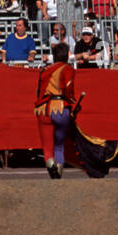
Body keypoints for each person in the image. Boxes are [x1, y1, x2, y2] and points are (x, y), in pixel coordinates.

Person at [34, 40, 76, 179]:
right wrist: (72, 100)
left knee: (47, 146)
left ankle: (50, 165)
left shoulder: (44, 70)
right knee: (59, 145)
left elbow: (39, 91)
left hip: (44, 109)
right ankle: (58, 172)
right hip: (60, 107)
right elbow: (68, 88)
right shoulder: (68, 69)